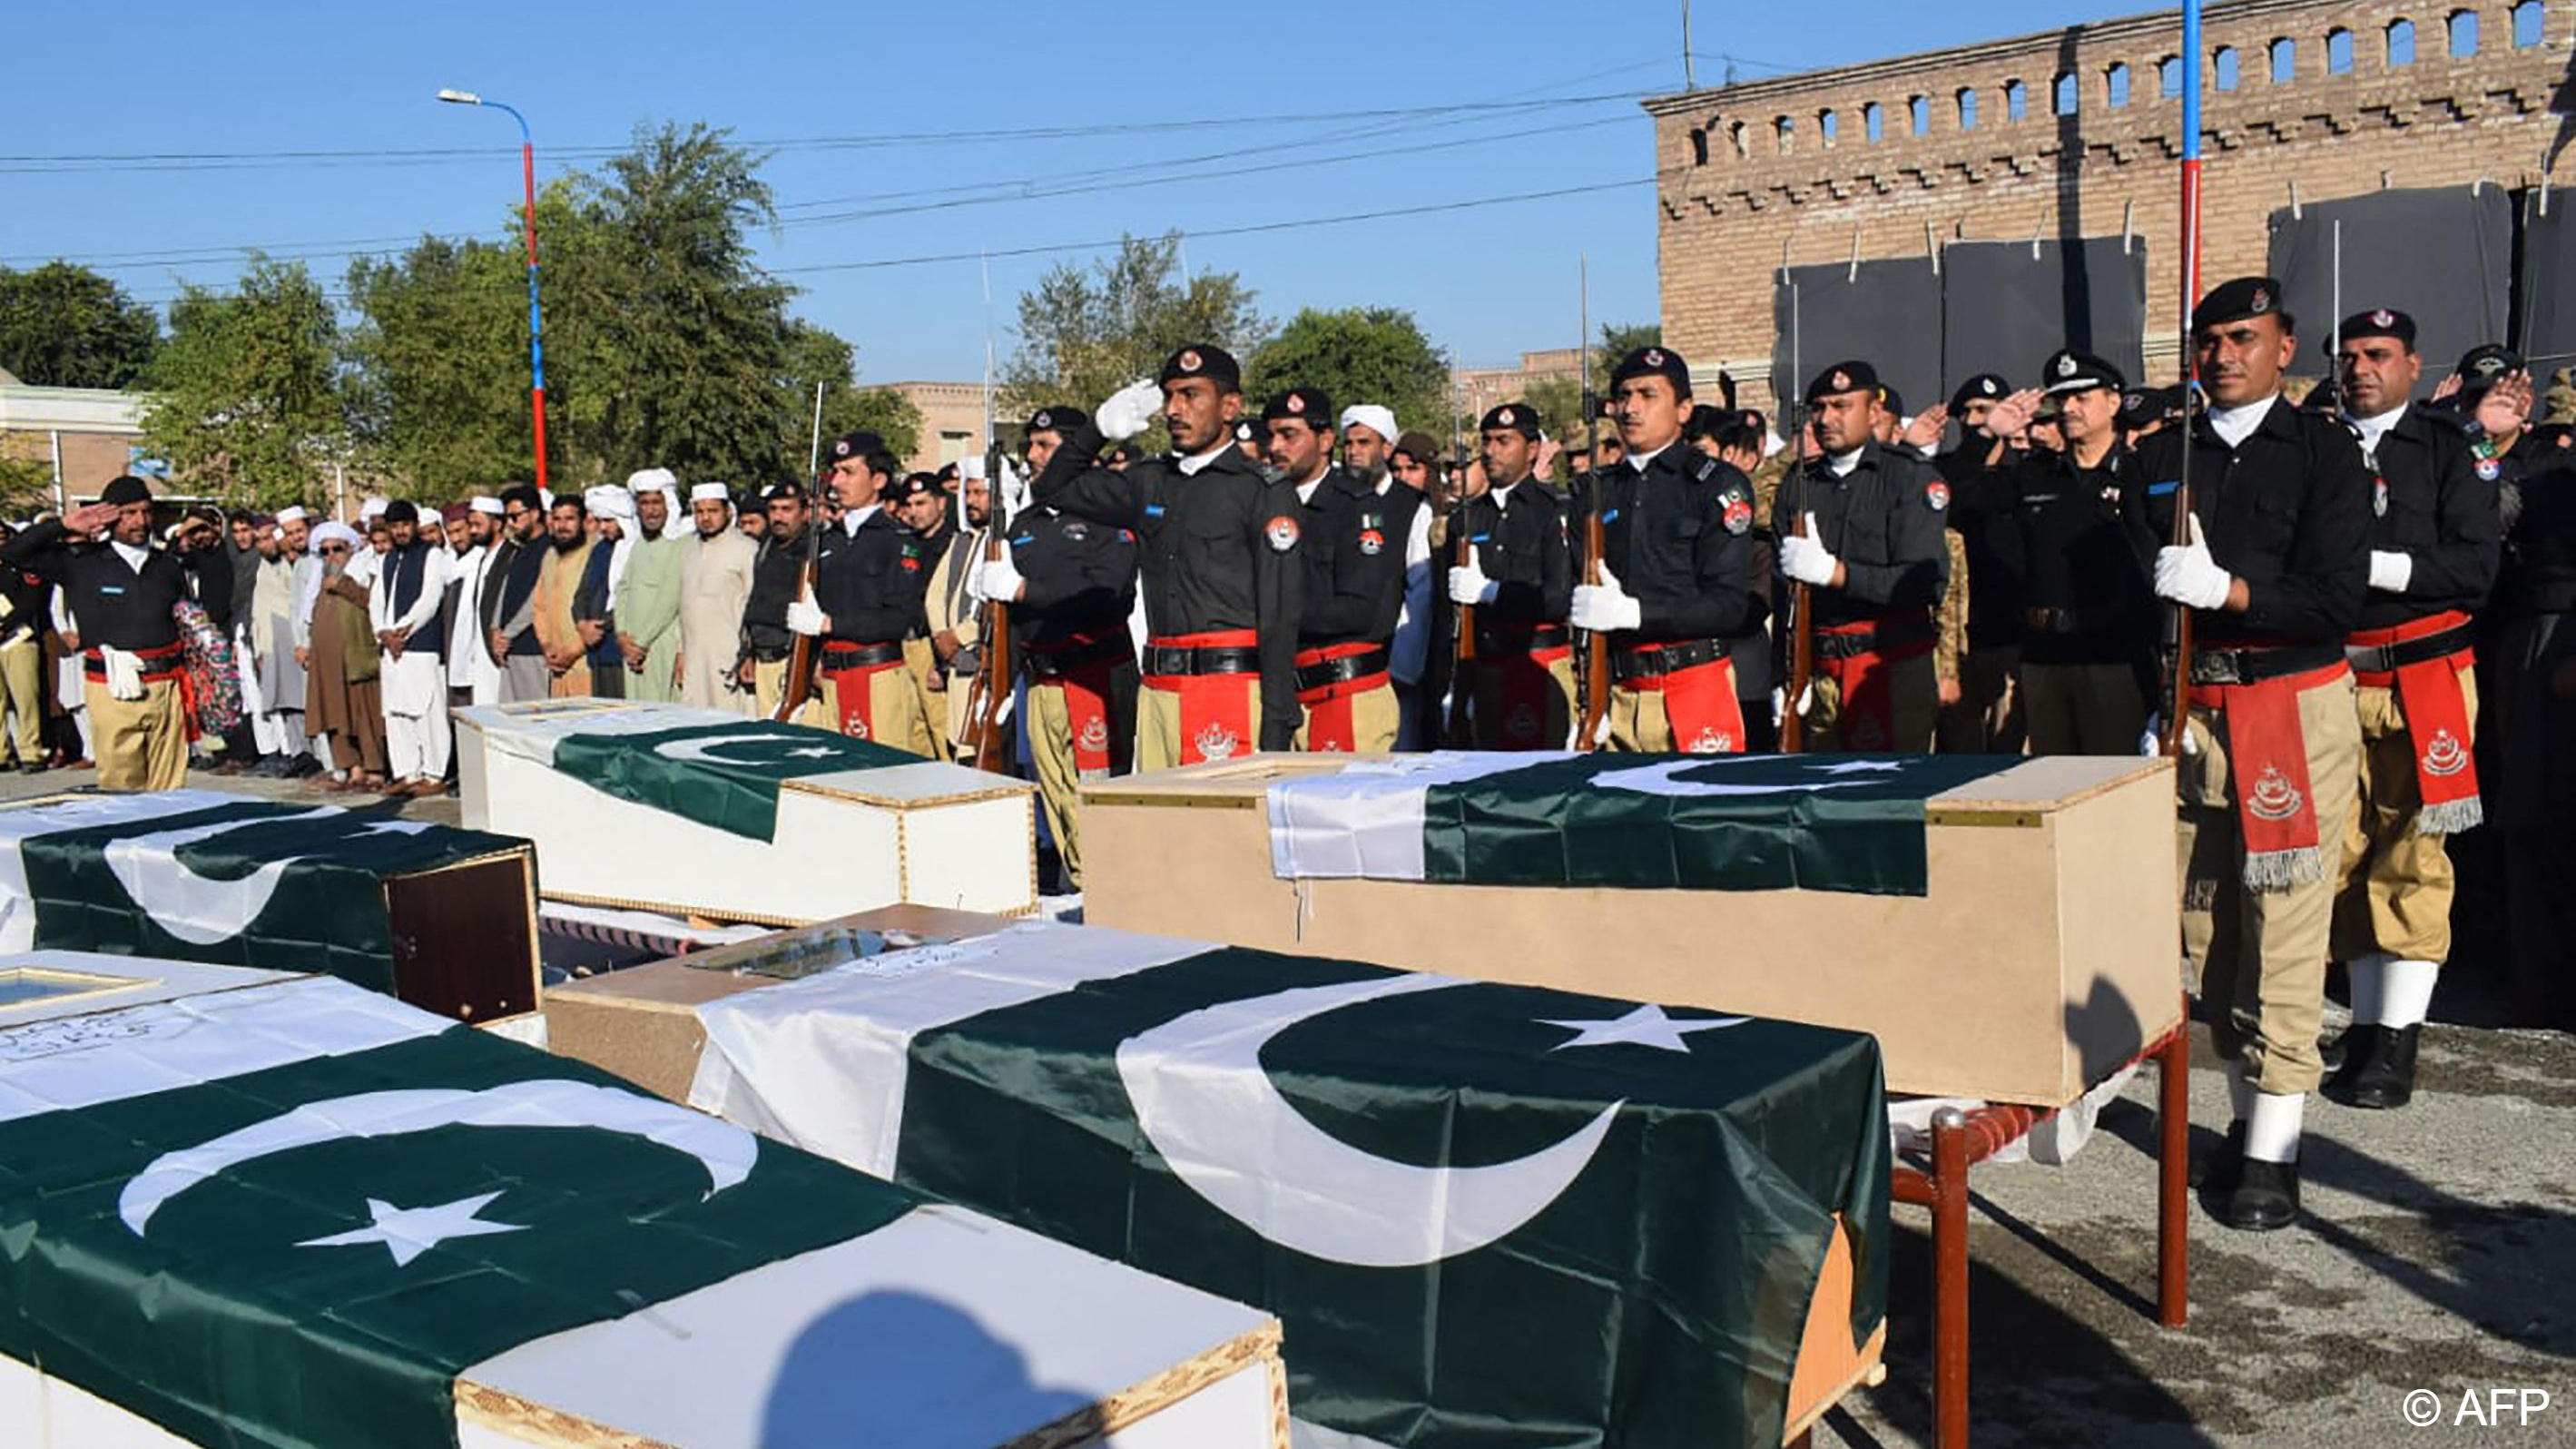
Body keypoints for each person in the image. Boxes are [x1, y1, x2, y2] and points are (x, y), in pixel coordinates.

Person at [2129, 276, 2370, 1232]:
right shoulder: (2168, 453)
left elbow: (2335, 599)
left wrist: (2228, 592)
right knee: (2208, 921)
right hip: (2195, 706)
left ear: (2284, 345)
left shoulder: (2323, 453)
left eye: (2243, 337)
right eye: (2209, 340)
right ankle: (2240, 1119)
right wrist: (2161, 697)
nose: (2222, 356)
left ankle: (2275, 1145)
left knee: (2286, 921)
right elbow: (2137, 597)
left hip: (2288, 705)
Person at [2322, 308, 2501, 1108]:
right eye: (2350, 355)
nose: (2361, 368)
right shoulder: (2317, 446)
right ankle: (2364, 1024)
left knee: (2416, 852)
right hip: (2333, 674)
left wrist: (2379, 567)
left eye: (2379, 355)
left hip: (2423, 673)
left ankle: (2399, 1038)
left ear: (2413, 366)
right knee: (2345, 852)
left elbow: (2473, 564)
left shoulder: (2449, 446)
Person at [1025, 344, 1303, 765]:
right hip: (1158, 690)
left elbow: (1280, 611)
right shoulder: (1150, 482)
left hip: (1228, 688)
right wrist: (1096, 430)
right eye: (1169, 395)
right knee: (1161, 827)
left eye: (1191, 395)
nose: (1175, 409)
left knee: (1223, 830)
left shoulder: (1261, 489)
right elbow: (1051, 490)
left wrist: (1279, 716)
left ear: (1230, 406)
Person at [971, 405, 1140, 885]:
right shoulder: (1024, 523)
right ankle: (1077, 878)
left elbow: (1110, 596)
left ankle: (1107, 887)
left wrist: (1026, 591)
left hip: (1094, 676)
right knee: (1059, 794)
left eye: (1045, 445)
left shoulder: (1108, 517)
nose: (1032, 454)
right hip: (1043, 680)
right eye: (1031, 444)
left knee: (1098, 793)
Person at [1952, 356, 2156, 755]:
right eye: (2061, 399)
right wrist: (1986, 435)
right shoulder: (2035, 474)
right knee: (2054, 784)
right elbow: (1958, 500)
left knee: (2111, 783)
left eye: (2081, 397)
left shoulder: (2137, 472)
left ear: (2113, 403)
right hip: (2044, 656)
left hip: (2114, 657)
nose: (2068, 408)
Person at [1562, 348, 1761, 753]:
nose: (1631, 408)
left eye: (1648, 395)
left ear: (1684, 409)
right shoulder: (1595, 490)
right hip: (1619, 690)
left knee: (1700, 813)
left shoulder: (1714, 485)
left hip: (1693, 682)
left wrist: (1635, 613)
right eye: (1624, 396)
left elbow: (1729, 605)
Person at [1775, 361, 1952, 752]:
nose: (1826, 418)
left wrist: (1837, 574)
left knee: (1888, 793)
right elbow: (1783, 592)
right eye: (1819, 408)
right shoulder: (1798, 484)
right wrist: (1784, 673)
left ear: (1874, 413)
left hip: (1889, 665)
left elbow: (1921, 581)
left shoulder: (1908, 476)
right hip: (1819, 668)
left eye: (1841, 406)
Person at [0, 478, 192, 791]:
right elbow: (12, 554)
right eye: (129, 513)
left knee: (169, 787)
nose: (139, 521)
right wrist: (62, 525)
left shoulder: (167, 565)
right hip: (111, 686)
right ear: (110, 515)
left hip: (166, 685)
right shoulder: (82, 562)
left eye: (145, 512)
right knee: (121, 786)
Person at [1256, 389, 1401, 753]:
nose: (1275, 446)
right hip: (1281, 693)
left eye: (1289, 435)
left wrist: (1274, 614)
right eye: (1270, 435)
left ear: (1325, 441)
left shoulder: (1356, 506)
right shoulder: (1261, 502)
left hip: (1343, 693)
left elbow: (1361, 610)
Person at [789, 432, 934, 751]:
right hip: (828, 678)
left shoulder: (898, 540)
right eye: (834, 472)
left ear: (878, 479)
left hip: (876, 675)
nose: (837, 482)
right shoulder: (827, 541)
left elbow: (898, 618)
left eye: (849, 472)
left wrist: (830, 624)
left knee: (880, 777)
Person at [1444, 402, 1576, 749]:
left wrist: (1491, 592)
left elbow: (1558, 597)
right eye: (1487, 441)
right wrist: (1455, 687)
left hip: (1541, 663)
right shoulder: (1467, 519)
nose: (1491, 451)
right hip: (1484, 668)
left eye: (1504, 441)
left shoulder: (1555, 509)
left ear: (1532, 449)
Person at [368, 500, 453, 795]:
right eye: (395, 526)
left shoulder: (432, 555)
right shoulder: (388, 559)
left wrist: (402, 630)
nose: (400, 531)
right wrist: (382, 632)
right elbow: (376, 600)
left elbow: (430, 599)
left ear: (415, 525)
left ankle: (433, 774)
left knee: (428, 711)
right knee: (396, 712)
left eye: (405, 525)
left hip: (419, 644)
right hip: (390, 647)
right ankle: (407, 772)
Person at [302, 521, 389, 792]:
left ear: (351, 549)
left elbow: (374, 603)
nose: (331, 556)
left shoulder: (365, 572)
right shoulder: (320, 580)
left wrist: (344, 586)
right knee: (336, 717)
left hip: (357, 657)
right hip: (327, 663)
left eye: (337, 549)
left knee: (364, 714)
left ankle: (375, 769)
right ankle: (352, 768)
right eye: (325, 551)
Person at [921, 466, 991, 758]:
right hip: (954, 659)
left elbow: (996, 605)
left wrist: (961, 635)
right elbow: (934, 596)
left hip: (982, 661)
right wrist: (943, 637)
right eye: (968, 492)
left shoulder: (1003, 541)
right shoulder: (962, 539)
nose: (971, 500)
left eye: (979, 493)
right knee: (959, 746)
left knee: (981, 750)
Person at [742, 482, 821, 724]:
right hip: (764, 659)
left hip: (794, 658)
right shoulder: (766, 547)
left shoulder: (814, 550)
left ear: (805, 513)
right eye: (774, 509)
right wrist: (747, 653)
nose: (779, 516)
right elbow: (755, 602)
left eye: (787, 509)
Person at [678, 483, 759, 714]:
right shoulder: (689, 548)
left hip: (731, 656)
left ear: (728, 512)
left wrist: (749, 654)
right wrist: (680, 652)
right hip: (694, 657)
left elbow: (753, 606)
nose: (705, 518)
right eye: (700, 512)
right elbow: (683, 605)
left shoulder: (746, 548)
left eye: (712, 511)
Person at [616, 471, 686, 702]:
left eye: (657, 502)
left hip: (661, 643)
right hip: (632, 647)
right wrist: (622, 635)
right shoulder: (638, 544)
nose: (651, 510)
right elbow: (623, 589)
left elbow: (669, 600)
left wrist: (640, 643)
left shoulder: (680, 543)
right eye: (644, 503)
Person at [480, 486, 551, 703]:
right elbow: (504, 588)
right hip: (509, 650)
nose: (511, 523)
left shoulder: (549, 549)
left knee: (536, 718)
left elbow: (537, 599)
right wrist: (495, 629)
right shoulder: (519, 549)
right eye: (508, 517)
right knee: (511, 721)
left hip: (533, 648)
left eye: (516, 516)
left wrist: (507, 634)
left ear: (535, 513)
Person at [533, 494, 598, 698]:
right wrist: (546, 645)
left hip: (586, 666)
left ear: (584, 520)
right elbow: (540, 606)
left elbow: (600, 611)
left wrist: (572, 651)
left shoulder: (595, 554)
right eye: (557, 519)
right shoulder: (550, 556)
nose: (562, 526)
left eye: (569, 519)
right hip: (557, 667)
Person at [446, 497, 505, 708]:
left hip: (497, 648)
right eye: (470, 525)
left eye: (477, 525)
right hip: (479, 651)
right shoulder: (481, 558)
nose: (472, 531)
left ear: (497, 524)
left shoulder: (506, 556)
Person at [0, 525, 48, 772]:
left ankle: (31, 751)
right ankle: (1, 753)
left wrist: (5, 625)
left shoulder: (22, 565)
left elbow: (32, 600)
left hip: (18, 637)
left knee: (26, 697)